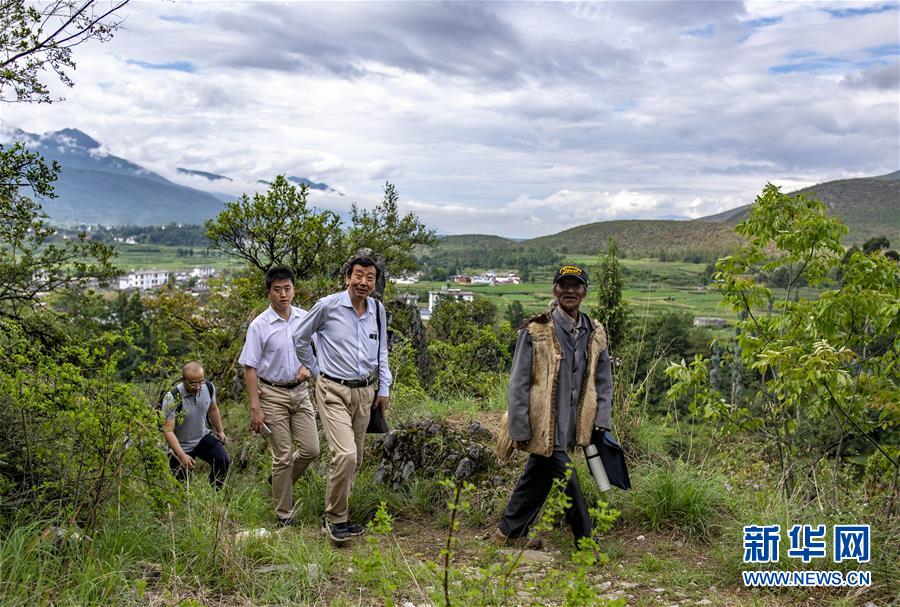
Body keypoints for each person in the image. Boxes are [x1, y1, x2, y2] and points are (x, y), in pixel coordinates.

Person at [495, 264, 613, 549]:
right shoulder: (536, 331)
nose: (569, 290)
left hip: (572, 423)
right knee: (567, 477)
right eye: (564, 285)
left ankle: (509, 532)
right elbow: (518, 382)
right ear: (555, 289)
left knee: (537, 474)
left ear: (584, 291)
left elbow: (604, 380)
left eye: (576, 285)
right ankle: (586, 542)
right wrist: (518, 427)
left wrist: (602, 418)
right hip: (541, 424)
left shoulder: (595, 332)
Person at [293, 255, 392, 543]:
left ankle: (342, 515)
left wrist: (383, 388)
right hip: (333, 389)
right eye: (358, 275)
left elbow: (382, 350)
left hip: (365, 392)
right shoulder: (327, 306)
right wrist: (315, 369)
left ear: (375, 282)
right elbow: (300, 337)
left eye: (370, 277)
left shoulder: (377, 309)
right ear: (347, 277)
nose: (364, 282)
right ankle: (334, 518)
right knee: (345, 454)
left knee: (355, 458)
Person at [239, 266, 320, 526]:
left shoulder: (305, 318)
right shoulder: (259, 326)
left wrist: (308, 367)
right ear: (269, 293)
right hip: (271, 394)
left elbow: (318, 350)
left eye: (287, 288)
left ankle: (279, 480)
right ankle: (283, 513)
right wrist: (255, 407)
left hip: (300, 392)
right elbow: (250, 368)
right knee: (282, 455)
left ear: (294, 290)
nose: (283, 294)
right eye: (277, 290)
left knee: (311, 449)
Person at [162, 362, 231, 489]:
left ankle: (214, 494)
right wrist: (182, 455)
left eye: (201, 382)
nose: (198, 386)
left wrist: (220, 431)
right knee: (182, 489)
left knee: (223, 461)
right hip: (180, 446)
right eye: (193, 383)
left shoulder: (209, 387)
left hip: (202, 438)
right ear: (183, 380)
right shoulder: (172, 397)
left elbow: (213, 409)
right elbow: (168, 430)